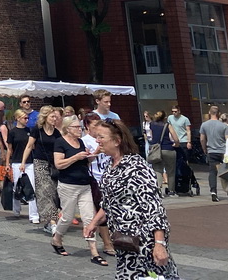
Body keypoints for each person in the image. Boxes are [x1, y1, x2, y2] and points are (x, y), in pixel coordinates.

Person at [84, 119, 181, 280]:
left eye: (101, 137)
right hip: (124, 244)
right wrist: (93, 223)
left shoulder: (136, 167)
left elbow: (155, 209)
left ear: (117, 141)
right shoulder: (111, 165)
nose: (97, 141)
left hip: (144, 245)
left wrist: (159, 244)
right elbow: (108, 203)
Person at [50, 115, 106, 265]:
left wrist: (94, 152)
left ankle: (94, 252)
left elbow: (87, 160)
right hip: (68, 185)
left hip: (85, 184)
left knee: (89, 218)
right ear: (68, 129)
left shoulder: (80, 142)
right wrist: (75, 157)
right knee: (67, 217)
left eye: (80, 127)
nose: (80, 130)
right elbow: (59, 164)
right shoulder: (60, 142)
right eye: (77, 127)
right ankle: (57, 238)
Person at [19, 105, 63, 235]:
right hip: (40, 164)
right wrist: (23, 162)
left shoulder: (56, 132)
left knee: (55, 192)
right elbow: (29, 146)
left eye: (55, 117)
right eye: (52, 116)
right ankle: (53, 223)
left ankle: (50, 222)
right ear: (45, 117)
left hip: (53, 165)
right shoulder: (36, 130)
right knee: (45, 191)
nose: (54, 119)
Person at [80, 114, 115, 256]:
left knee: (112, 211)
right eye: (94, 126)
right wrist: (95, 152)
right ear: (87, 126)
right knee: (102, 211)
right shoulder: (85, 141)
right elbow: (85, 161)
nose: (97, 129)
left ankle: (113, 238)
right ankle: (107, 243)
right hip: (95, 178)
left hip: (110, 176)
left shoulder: (106, 138)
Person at [6, 109, 39, 223]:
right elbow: (10, 149)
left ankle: (34, 215)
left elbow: (32, 146)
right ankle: (16, 209)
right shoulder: (13, 132)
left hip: (29, 161)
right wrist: (7, 163)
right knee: (16, 186)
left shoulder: (29, 131)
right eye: (25, 118)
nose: (27, 120)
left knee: (31, 187)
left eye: (27, 118)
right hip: (16, 161)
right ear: (18, 118)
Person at [200, 104, 228, 202]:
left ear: (209, 113)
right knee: (226, 171)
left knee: (212, 172)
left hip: (211, 151)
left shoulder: (204, 125)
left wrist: (204, 149)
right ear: (219, 114)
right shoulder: (224, 126)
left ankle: (213, 192)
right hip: (223, 151)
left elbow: (202, 139)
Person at [166, 105, 192, 194]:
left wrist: (189, 141)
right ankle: (177, 179)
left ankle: (186, 176)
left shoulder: (185, 119)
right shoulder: (170, 118)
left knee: (185, 161)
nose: (174, 113)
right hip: (174, 142)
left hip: (183, 141)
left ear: (179, 111)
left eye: (175, 111)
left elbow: (188, 130)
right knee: (176, 162)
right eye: (172, 111)